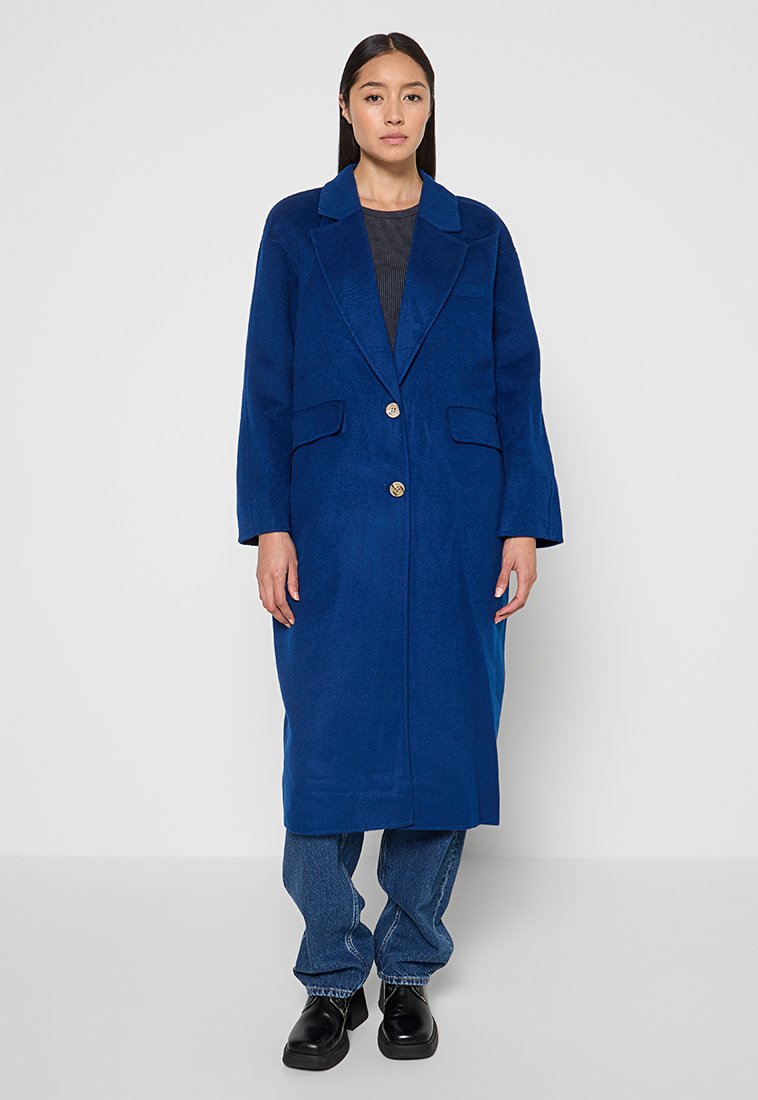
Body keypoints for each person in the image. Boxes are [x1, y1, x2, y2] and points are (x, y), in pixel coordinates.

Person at [235, 32, 563, 1070]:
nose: (393, 112)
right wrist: (270, 522)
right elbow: (268, 381)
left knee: (444, 742)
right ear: (346, 108)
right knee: (324, 750)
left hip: (460, 517)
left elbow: (517, 382)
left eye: (411, 95)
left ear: (430, 109)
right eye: (373, 95)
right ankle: (331, 978)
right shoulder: (297, 228)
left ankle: (409, 967)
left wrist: (522, 520)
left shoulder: (481, 234)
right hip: (330, 520)